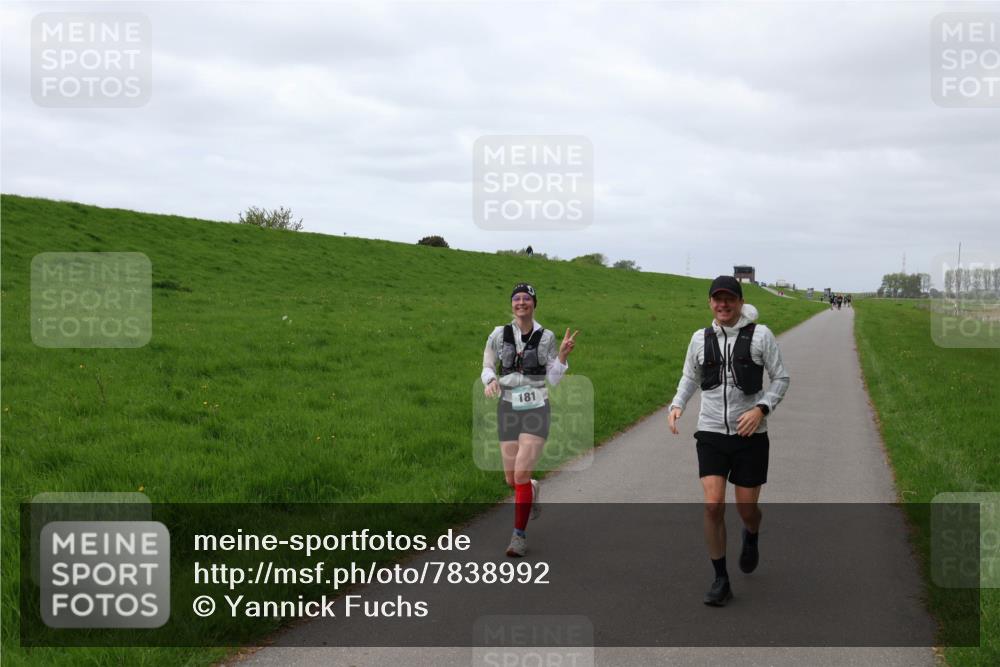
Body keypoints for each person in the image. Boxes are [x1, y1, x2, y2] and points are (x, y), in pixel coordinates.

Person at [667, 276, 790, 606]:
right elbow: (690, 376)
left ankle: (751, 533)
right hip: (710, 432)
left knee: (746, 509)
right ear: (710, 303)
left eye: (729, 299)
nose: (723, 305)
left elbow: (781, 378)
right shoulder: (699, 338)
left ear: (740, 302)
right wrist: (678, 404)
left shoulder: (760, 336)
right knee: (713, 504)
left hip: (750, 435)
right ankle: (720, 578)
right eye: (717, 299)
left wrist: (761, 409)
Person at [482, 283, 578, 557]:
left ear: (534, 304)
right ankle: (531, 488)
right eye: (517, 298)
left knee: (521, 474)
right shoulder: (498, 334)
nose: (521, 302)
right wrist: (490, 380)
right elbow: (487, 364)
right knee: (511, 479)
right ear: (512, 304)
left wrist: (562, 356)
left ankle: (518, 537)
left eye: (526, 298)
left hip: (536, 409)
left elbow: (553, 379)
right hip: (507, 408)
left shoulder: (546, 337)